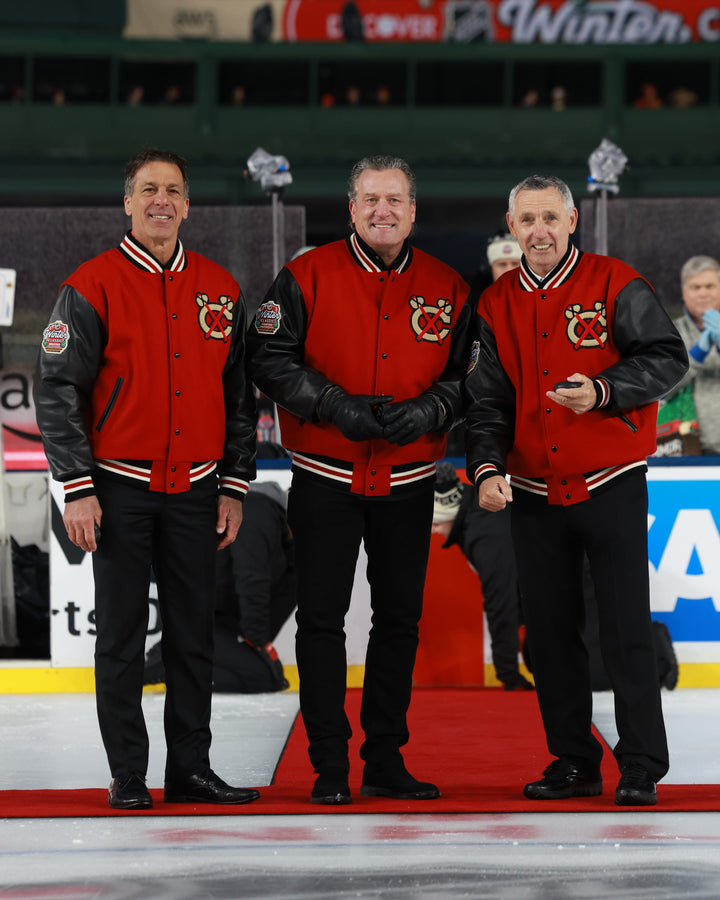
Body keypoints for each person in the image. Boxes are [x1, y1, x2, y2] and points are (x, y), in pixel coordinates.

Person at [34, 148, 260, 811]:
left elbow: (240, 399)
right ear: (127, 203)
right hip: (118, 490)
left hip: (196, 490)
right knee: (122, 639)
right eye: (148, 190)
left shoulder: (221, 289)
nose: (162, 200)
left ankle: (191, 770)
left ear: (188, 206)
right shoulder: (91, 284)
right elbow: (57, 391)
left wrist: (234, 486)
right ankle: (128, 774)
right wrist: (76, 488)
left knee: (193, 636)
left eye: (174, 191)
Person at [247, 154, 472, 805]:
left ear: (412, 210)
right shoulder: (303, 275)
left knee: (399, 621)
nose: (382, 210)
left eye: (394, 200)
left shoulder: (447, 286)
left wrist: (434, 408)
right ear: (350, 208)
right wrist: (330, 404)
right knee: (321, 620)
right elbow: (268, 356)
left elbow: (470, 379)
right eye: (370, 199)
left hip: (409, 482)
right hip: (324, 478)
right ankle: (327, 765)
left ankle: (384, 758)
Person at [464, 173, 688, 807]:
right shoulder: (494, 304)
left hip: (611, 484)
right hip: (533, 492)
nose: (538, 231)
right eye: (526, 220)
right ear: (512, 228)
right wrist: (485, 468)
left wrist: (604, 391)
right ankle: (572, 761)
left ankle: (641, 762)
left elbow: (668, 358)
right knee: (551, 633)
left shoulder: (616, 282)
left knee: (624, 628)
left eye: (549, 219)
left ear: (571, 223)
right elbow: (485, 402)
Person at [143, 480, 296, 693]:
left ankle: (177, 656)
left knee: (270, 677)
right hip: (199, 617)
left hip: (216, 618)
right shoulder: (259, 509)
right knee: (264, 678)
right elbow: (251, 578)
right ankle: (175, 663)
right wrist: (259, 643)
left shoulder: (269, 517)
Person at [431, 461, 532, 691]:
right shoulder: (478, 512)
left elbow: (501, 601)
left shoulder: (485, 534)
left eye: (436, 523)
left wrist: (508, 673)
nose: (434, 531)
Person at [662, 256, 720, 455]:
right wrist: (697, 354)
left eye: (709, 286)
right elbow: (661, 388)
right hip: (684, 451)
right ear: (684, 294)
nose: (703, 293)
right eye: (696, 288)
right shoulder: (670, 333)